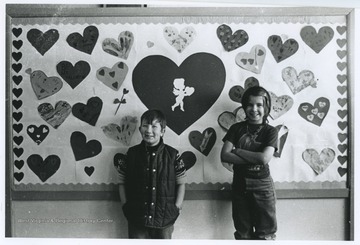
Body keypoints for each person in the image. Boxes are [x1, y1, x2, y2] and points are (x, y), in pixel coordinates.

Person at [118, 109, 187, 239]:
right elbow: (122, 181)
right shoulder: (131, 154)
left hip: (165, 220)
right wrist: (125, 206)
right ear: (140, 129)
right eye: (145, 126)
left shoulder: (173, 155)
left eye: (154, 126)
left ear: (163, 131)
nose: (149, 131)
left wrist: (176, 208)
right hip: (136, 219)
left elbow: (181, 183)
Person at [221, 86, 278, 240]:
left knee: (265, 234)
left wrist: (238, 151)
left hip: (263, 186)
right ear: (244, 107)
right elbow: (225, 155)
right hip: (240, 185)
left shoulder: (271, 131)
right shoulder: (236, 128)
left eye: (259, 105)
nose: (254, 109)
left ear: (266, 107)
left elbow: (264, 159)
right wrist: (254, 156)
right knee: (242, 233)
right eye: (250, 105)